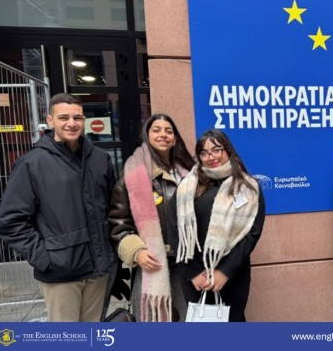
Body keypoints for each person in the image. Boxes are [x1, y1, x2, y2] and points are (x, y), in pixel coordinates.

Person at [0, 93, 117, 322]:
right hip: (61, 275)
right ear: (50, 120)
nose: (71, 123)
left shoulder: (100, 159)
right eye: (63, 117)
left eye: (77, 118)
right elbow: (10, 222)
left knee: (92, 337)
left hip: (99, 270)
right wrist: (46, 259)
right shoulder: (32, 164)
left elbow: (111, 209)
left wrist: (112, 257)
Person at [109, 114, 194, 322]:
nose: (163, 135)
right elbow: (118, 223)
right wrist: (136, 251)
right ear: (147, 136)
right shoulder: (132, 173)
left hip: (187, 263)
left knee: (191, 322)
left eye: (168, 131)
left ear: (174, 139)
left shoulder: (191, 173)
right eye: (156, 130)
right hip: (152, 264)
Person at [175, 129, 265, 322]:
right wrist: (193, 272)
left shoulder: (248, 187)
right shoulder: (187, 186)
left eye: (217, 150)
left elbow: (252, 233)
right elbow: (175, 230)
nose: (211, 157)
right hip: (194, 275)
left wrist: (224, 271)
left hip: (232, 274)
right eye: (204, 153)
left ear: (228, 150)